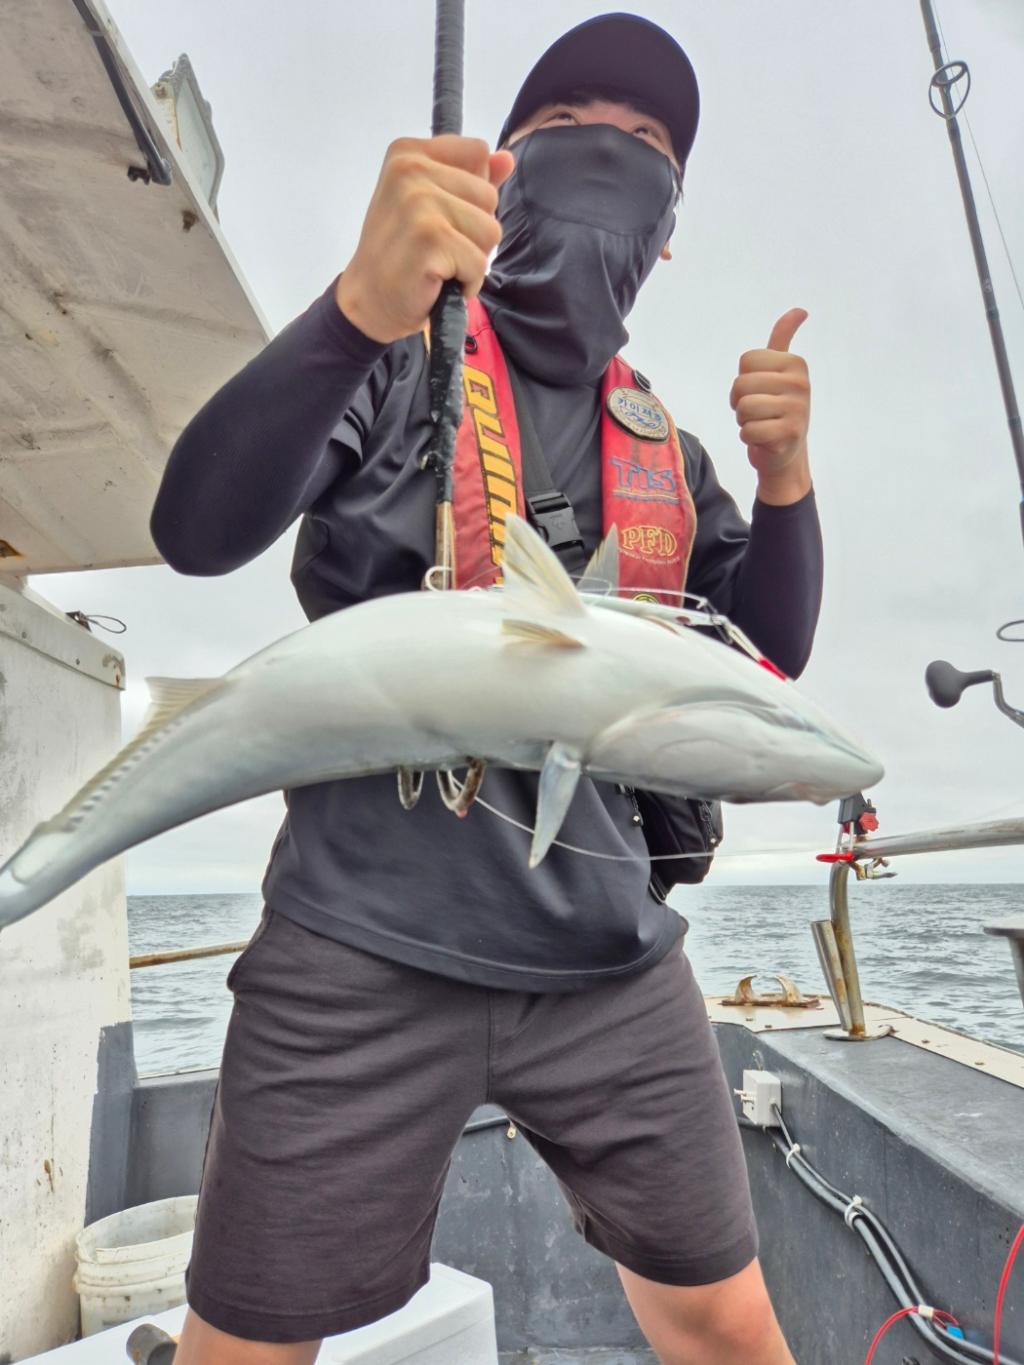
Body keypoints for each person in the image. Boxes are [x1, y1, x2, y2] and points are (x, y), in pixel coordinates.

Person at [152, 13, 820, 1364]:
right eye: (571, 124)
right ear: (496, 169)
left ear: (671, 224)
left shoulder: (666, 449)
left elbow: (768, 658)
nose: (611, 154)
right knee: (245, 1348)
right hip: (357, 945)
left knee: (727, 1321)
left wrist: (787, 478)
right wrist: (354, 308)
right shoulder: (397, 365)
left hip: (611, 960)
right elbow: (197, 526)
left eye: (647, 145)